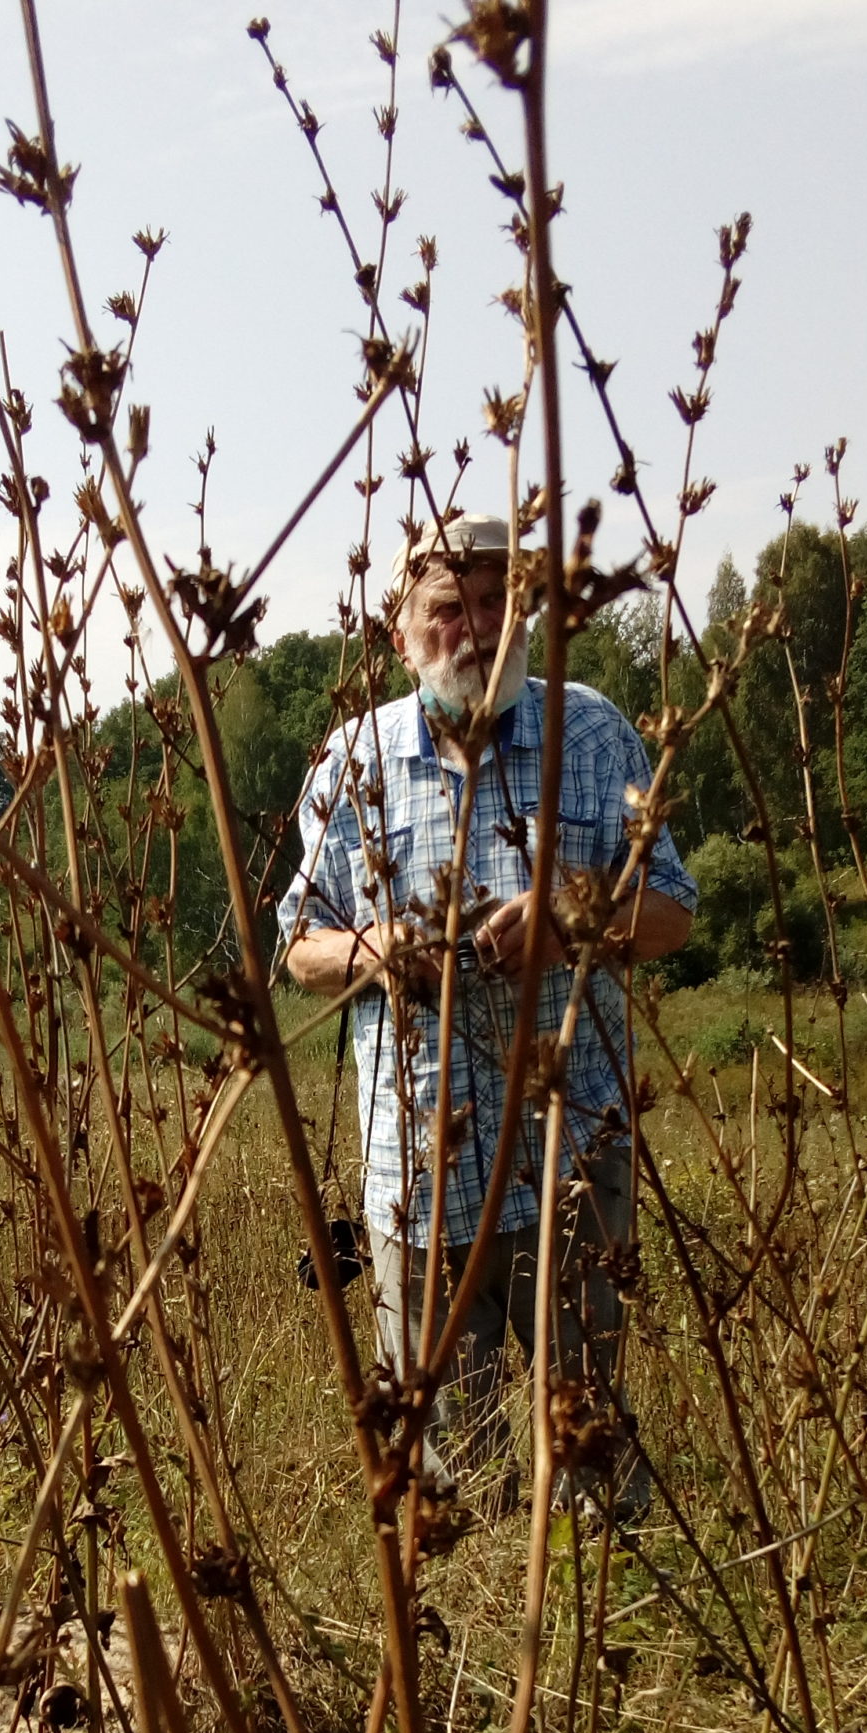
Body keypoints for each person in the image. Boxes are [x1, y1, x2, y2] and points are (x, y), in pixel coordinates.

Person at [277, 514, 697, 1520]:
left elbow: (672, 913)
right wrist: (375, 952)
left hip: (571, 1165)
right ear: (400, 634)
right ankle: (487, 1655)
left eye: (496, 605)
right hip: (417, 1180)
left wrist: (572, 915)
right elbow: (300, 947)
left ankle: (610, 1649)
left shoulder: (590, 734)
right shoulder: (353, 763)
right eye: (445, 611)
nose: (473, 631)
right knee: (459, 1481)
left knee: (593, 1450)